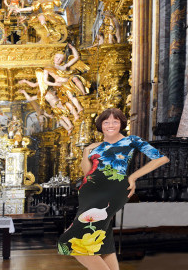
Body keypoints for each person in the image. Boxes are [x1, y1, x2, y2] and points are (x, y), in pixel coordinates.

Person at [57, 108, 169, 267]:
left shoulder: (131, 140)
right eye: (106, 122)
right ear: (101, 125)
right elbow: (87, 173)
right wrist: (86, 152)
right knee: (103, 242)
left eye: (115, 121)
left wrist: (133, 176)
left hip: (113, 191)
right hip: (89, 194)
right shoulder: (95, 146)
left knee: (69, 242)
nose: (110, 125)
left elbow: (161, 158)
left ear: (121, 124)